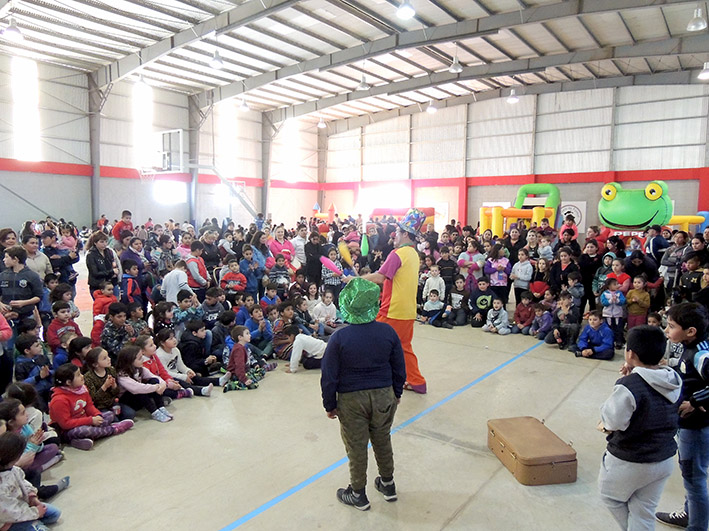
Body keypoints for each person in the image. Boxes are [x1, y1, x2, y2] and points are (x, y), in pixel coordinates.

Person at [320, 278, 406, 510]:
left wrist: (330, 404)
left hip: (351, 399)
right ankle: (387, 484)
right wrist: (396, 392)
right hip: (383, 395)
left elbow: (329, 375)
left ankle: (358, 493)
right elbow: (399, 367)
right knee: (382, 438)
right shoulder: (388, 331)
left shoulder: (339, 337)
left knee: (356, 445)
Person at [598, 326, 680, 530]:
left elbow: (614, 420)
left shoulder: (629, 385)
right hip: (663, 458)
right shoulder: (673, 380)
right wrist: (634, 372)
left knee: (611, 497)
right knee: (644, 509)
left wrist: (627, 379)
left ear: (630, 353)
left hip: (631, 459)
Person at [354, 210, 427, 393]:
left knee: (369, 339)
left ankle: (368, 377)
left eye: (399, 232)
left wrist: (356, 280)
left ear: (406, 235)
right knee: (403, 347)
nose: (394, 235)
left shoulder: (397, 253)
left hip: (392, 310)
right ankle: (417, 382)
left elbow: (380, 277)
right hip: (408, 310)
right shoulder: (413, 254)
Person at [655, 303, 709, 529]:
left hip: (696, 428)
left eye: (671, 326)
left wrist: (696, 401)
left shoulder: (701, 354)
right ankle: (690, 514)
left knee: (694, 481)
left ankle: (697, 526)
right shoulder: (691, 346)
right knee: (693, 478)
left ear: (690, 331)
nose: (667, 331)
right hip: (689, 424)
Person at [48, 363, 133, 451]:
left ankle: (80, 440)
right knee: (85, 431)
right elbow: (66, 424)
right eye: (78, 375)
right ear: (68, 382)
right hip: (68, 430)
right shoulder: (59, 400)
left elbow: (89, 406)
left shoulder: (82, 388)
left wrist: (97, 415)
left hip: (86, 420)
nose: (82, 376)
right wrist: (91, 420)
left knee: (109, 414)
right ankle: (113, 429)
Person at [0, 431, 62, 530]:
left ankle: (33, 523)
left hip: (24, 507)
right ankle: (34, 524)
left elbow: (24, 483)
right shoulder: (2, 485)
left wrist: (33, 498)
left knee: (54, 514)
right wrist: (36, 512)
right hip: (8, 521)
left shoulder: (15, 469)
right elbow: (11, 513)